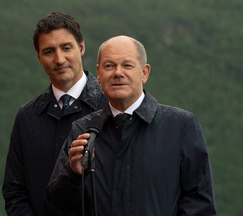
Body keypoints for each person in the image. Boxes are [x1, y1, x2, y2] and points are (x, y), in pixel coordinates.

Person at [48, 35, 217, 215]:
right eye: (109, 66)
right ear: (98, 74)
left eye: (127, 65)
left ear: (144, 72)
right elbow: (57, 207)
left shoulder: (180, 126)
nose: (118, 73)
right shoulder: (82, 130)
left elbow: (200, 205)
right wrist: (73, 175)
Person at [2, 12, 106, 216]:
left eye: (66, 48)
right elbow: (14, 191)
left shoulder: (110, 107)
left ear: (82, 47)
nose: (59, 59)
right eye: (49, 51)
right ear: (39, 57)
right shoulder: (27, 117)